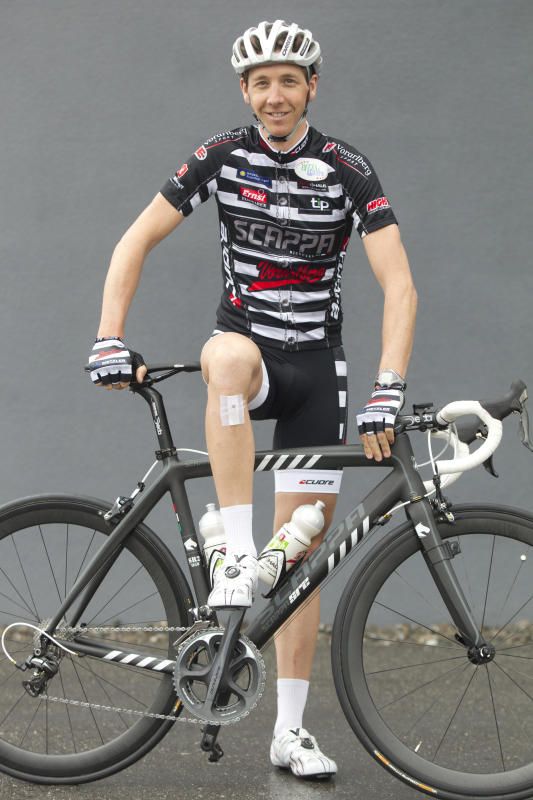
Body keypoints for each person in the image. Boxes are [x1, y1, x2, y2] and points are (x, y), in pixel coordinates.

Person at [87, 19, 417, 781]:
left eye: (288, 81)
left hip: (317, 371)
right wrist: (108, 336)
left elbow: (398, 283)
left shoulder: (346, 168)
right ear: (244, 91)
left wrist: (387, 387)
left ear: (311, 87)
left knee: (303, 560)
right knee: (225, 356)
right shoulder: (221, 156)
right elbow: (133, 240)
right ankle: (234, 552)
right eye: (261, 82)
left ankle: (289, 732)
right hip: (250, 360)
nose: (275, 95)